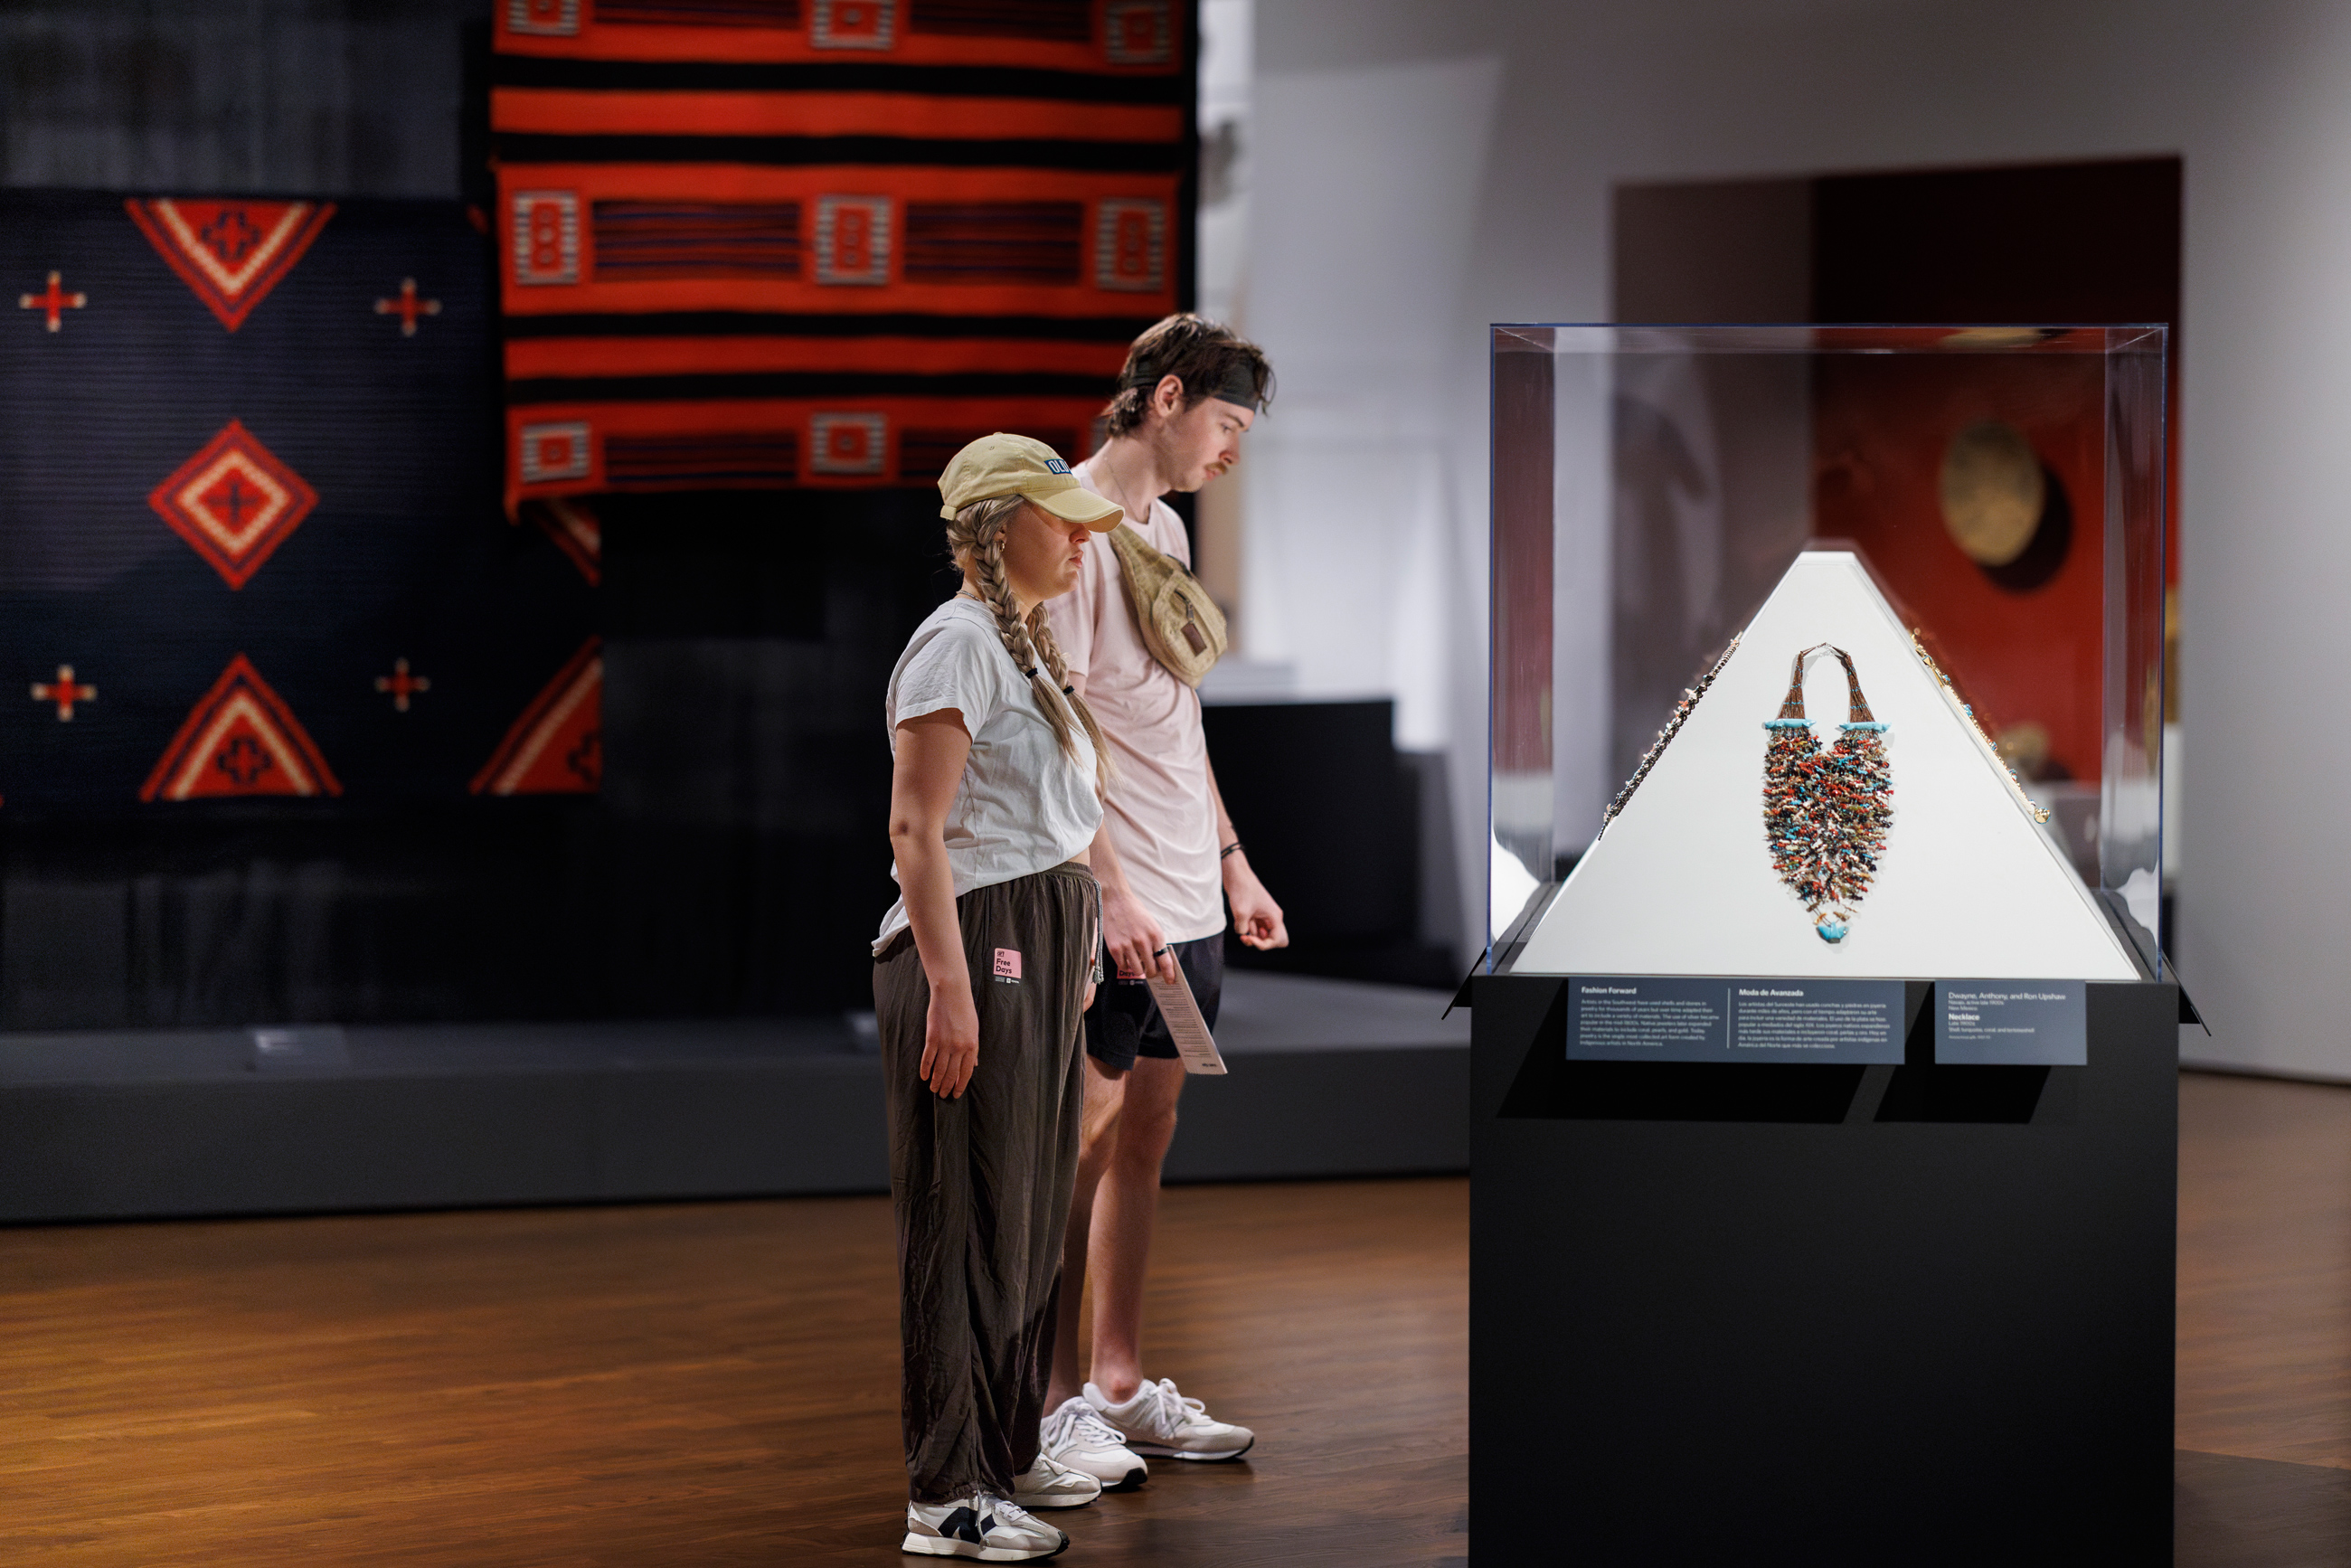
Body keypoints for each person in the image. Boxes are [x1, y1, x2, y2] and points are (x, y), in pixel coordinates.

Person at [1036, 316, 1287, 1489]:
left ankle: (1119, 1384)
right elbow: (1058, 733)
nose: (1232, 449)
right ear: (1168, 395)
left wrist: (1233, 858)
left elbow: (1178, 721)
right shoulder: (1071, 528)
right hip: (1117, 904)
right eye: (1227, 423)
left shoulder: (1168, 526)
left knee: (1147, 1134)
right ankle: (1044, 1409)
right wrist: (1113, 891)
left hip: (1190, 892)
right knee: (1073, 1147)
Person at [874, 433, 1129, 1560]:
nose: (1078, 538)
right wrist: (951, 987)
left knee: (1025, 1218)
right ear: (992, 525)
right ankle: (946, 1494)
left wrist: (1075, 937)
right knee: (963, 1220)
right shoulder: (955, 646)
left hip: (1032, 943)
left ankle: (1009, 1449)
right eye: (1059, 517)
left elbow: (1051, 828)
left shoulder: (1020, 647)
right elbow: (914, 829)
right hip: (974, 949)